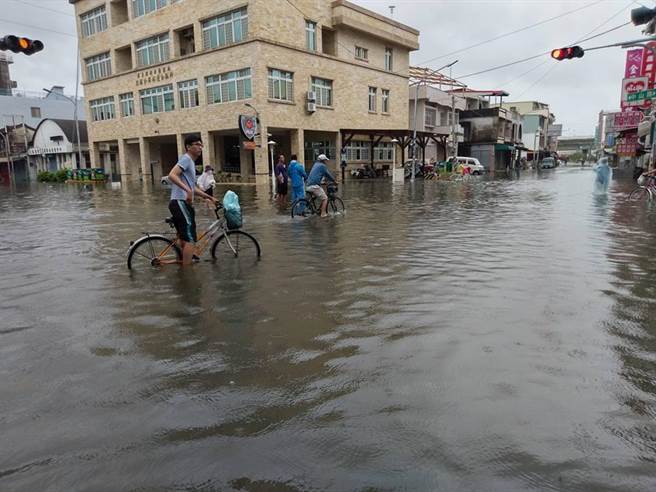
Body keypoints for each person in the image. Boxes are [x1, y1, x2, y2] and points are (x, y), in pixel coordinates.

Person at [167, 136, 215, 266]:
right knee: (190, 239)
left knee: (185, 237)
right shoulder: (186, 159)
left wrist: (208, 197)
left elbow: (193, 187)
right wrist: (187, 190)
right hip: (180, 202)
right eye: (197, 144)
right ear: (188, 147)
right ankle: (187, 273)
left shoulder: (191, 163)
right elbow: (172, 174)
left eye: (201, 145)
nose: (200, 147)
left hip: (180, 203)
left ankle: (182, 261)